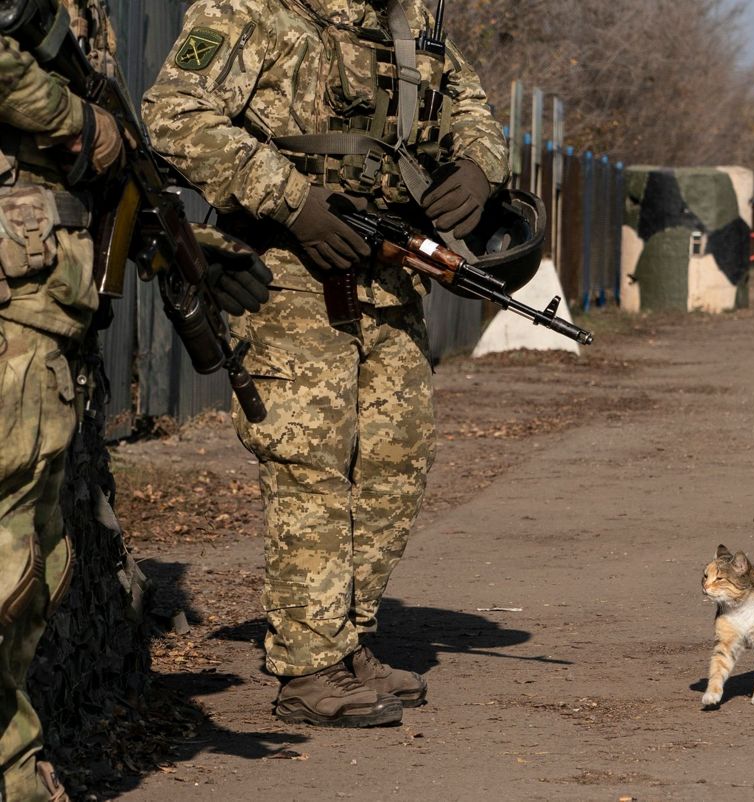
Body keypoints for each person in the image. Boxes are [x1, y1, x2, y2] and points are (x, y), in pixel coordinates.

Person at [142, 0, 509, 728]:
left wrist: (478, 165)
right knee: (309, 463)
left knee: (394, 460)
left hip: (389, 266)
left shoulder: (409, 20)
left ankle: (346, 640)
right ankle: (309, 668)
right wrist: (295, 201)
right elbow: (174, 115)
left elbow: (469, 105)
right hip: (286, 270)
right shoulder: (252, 8)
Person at [0, 1, 273, 798]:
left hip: (47, 303)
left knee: (34, 558)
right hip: (18, 301)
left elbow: (110, 166)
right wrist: (82, 121)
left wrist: (184, 241)